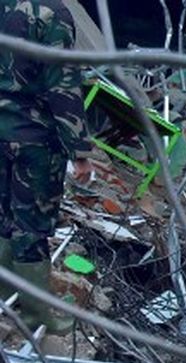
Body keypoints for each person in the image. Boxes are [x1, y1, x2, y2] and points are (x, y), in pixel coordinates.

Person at [0, 0, 90, 333]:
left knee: (3, 214)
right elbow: (62, 86)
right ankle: (35, 314)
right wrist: (79, 150)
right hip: (35, 139)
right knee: (32, 224)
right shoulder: (52, 14)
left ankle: (6, 294)